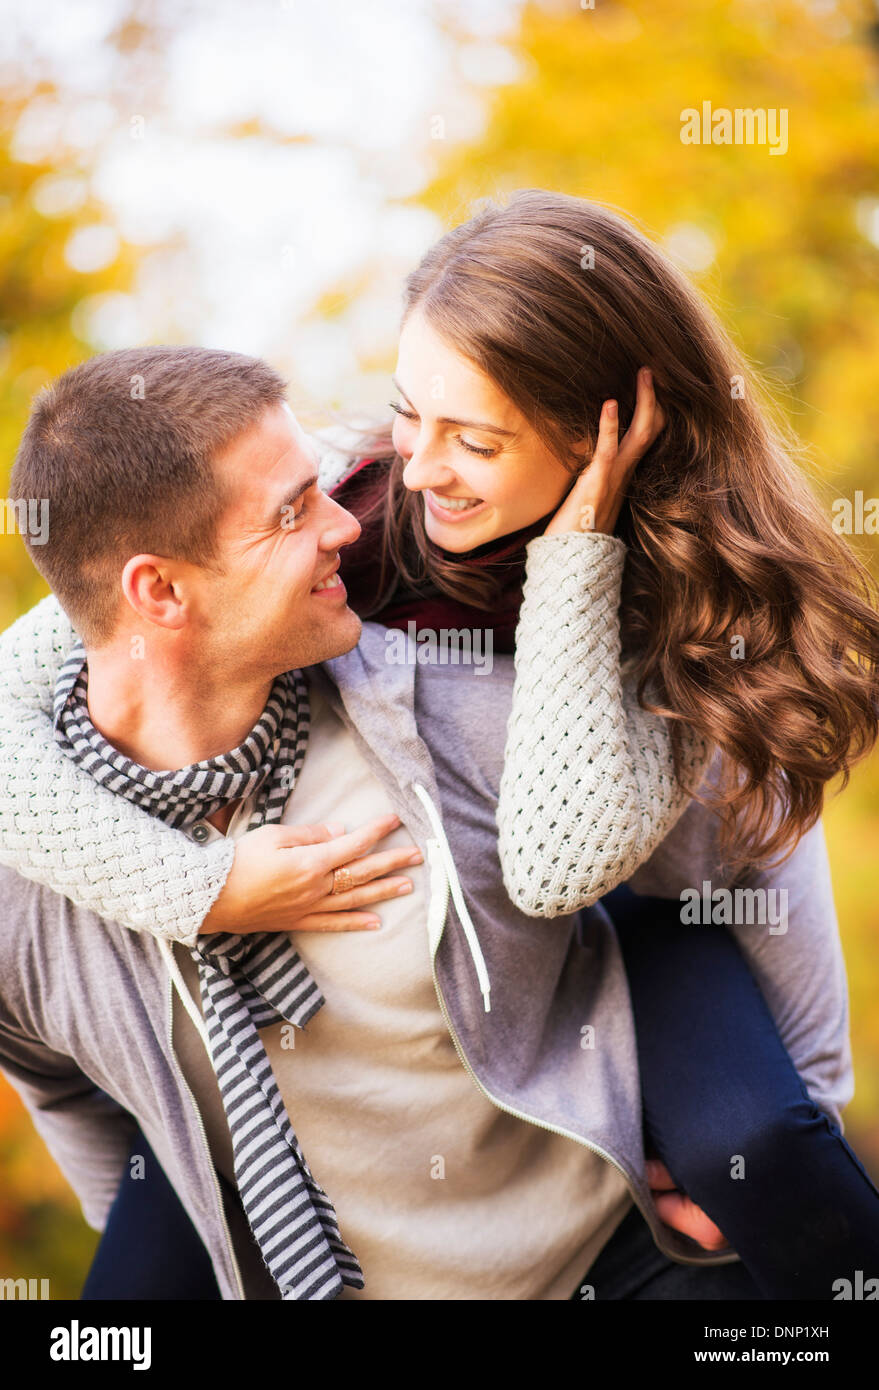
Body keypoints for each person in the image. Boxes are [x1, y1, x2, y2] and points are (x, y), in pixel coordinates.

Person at [1, 182, 878, 1294]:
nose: (416, 468)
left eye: (473, 437)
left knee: (758, 1143)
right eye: (412, 410)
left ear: (595, 438)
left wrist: (793, 1120)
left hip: (613, 880)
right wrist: (199, 889)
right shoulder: (365, 496)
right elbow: (56, 668)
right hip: (500, 851)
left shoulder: (683, 606)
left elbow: (712, 848)